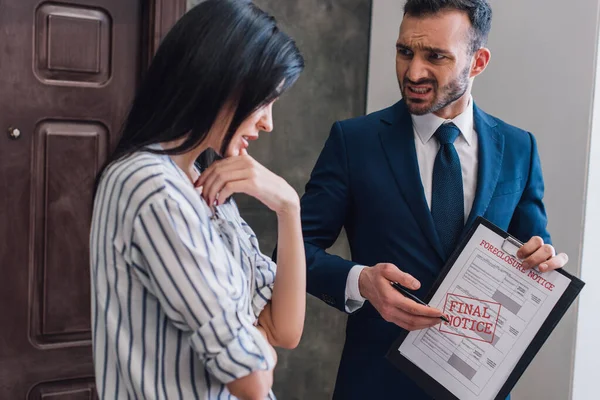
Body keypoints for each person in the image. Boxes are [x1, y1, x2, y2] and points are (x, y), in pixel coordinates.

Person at [300, 0, 569, 398]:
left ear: (478, 62)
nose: (413, 72)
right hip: (376, 385)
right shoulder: (353, 141)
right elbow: (292, 253)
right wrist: (362, 282)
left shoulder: (519, 148)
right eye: (405, 51)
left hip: (479, 388)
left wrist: (544, 260)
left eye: (435, 56)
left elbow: (531, 252)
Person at [90, 1, 305, 399]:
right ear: (222, 82)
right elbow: (253, 381)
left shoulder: (204, 185)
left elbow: (283, 329)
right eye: (265, 101)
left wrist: (288, 206)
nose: (268, 122)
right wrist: (256, 347)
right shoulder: (151, 187)